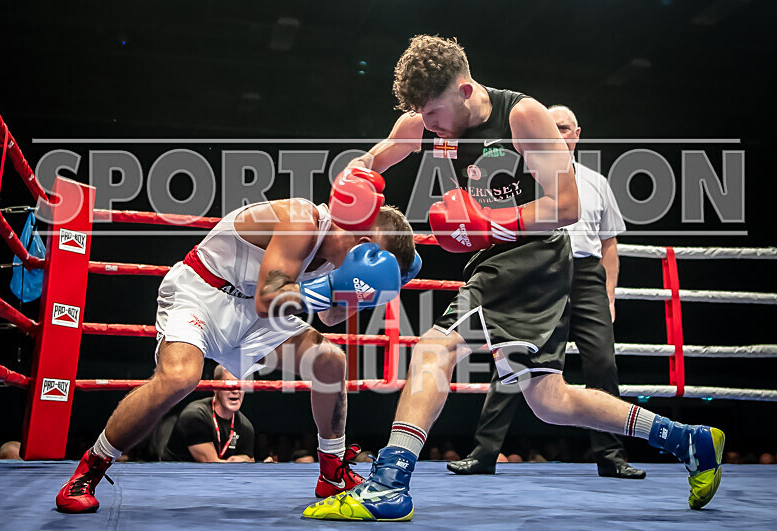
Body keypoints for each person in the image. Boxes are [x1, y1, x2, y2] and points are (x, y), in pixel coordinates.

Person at [304, 35, 724, 522]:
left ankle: (388, 485)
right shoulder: (423, 120)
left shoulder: (524, 116)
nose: (430, 125)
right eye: (422, 114)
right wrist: (358, 176)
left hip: (532, 256)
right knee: (550, 399)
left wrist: (492, 220)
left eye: (435, 112)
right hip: (497, 258)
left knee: (435, 348)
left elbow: (567, 206)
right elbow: (377, 156)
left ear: (464, 90)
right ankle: (689, 440)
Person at [56, 194, 422, 513]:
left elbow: (329, 315)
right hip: (203, 293)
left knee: (330, 361)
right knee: (180, 378)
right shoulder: (302, 219)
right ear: (361, 240)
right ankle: (90, 468)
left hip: (254, 314)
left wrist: (364, 291)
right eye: (375, 259)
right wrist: (339, 284)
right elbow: (268, 299)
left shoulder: (343, 260)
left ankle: (331, 471)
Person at [447, 105, 645, 480]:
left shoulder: (596, 182)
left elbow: (609, 245)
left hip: (585, 275)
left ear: (577, 133)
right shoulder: (527, 175)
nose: (558, 133)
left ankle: (612, 455)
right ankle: (484, 452)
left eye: (565, 127)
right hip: (537, 270)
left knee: (602, 362)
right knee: (515, 362)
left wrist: (610, 293)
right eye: (551, 127)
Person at [161, 364, 255, 462]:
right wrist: (238, 462)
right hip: (175, 474)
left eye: (240, 385)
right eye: (229, 384)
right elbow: (211, 463)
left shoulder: (245, 426)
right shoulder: (195, 416)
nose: (235, 390)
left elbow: (250, 460)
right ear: (215, 388)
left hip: (213, 475)